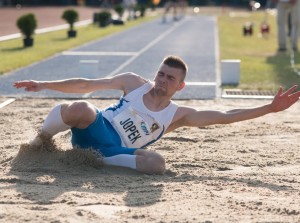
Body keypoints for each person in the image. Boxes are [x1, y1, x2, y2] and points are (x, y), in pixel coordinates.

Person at [14, 55, 300, 174]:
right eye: (160, 74)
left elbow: (225, 114)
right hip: (96, 127)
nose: (162, 81)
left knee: (157, 163)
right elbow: (86, 85)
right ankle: (39, 142)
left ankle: (94, 160)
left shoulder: (179, 115)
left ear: (180, 85)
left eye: (169, 78)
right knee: (83, 107)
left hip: (115, 151)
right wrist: (44, 84)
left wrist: (269, 108)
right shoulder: (133, 83)